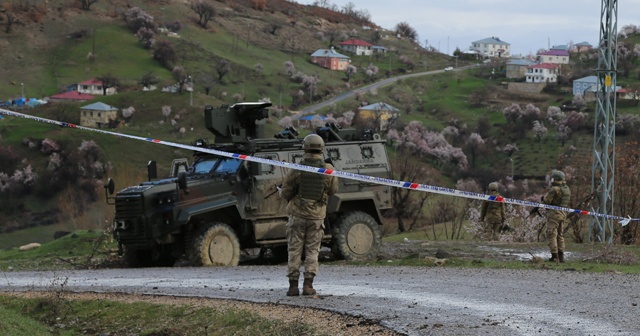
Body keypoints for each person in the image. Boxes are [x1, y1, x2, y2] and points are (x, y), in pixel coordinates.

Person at [279, 134, 338, 296]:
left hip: (297, 216)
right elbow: (333, 191)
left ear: (304, 148)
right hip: (317, 217)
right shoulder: (329, 170)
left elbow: (285, 194)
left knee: (294, 250)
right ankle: (308, 286)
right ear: (321, 148)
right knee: (313, 251)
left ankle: (292, 287)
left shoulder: (297, 169)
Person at [541, 170, 571, 262]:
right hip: (563, 214)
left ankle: (554, 256)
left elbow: (547, 202)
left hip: (554, 214)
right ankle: (561, 257)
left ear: (555, 179)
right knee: (560, 235)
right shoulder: (566, 189)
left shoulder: (555, 189)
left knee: (552, 234)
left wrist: (543, 200)